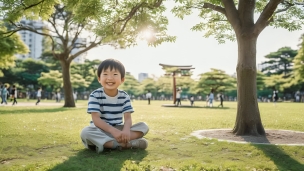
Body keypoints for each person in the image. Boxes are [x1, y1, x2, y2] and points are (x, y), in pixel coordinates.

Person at [80, 59, 149, 154]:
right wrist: (113, 132)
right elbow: (96, 119)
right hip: (100, 130)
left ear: (122, 79)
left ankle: (111, 143)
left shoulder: (124, 96)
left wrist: (125, 131)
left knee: (143, 126)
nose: (110, 78)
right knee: (86, 132)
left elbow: (128, 118)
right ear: (99, 78)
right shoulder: (95, 95)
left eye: (115, 74)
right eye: (105, 74)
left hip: (119, 129)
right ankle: (126, 144)